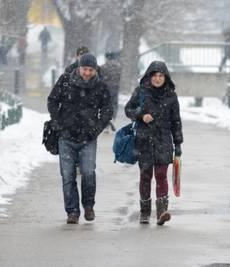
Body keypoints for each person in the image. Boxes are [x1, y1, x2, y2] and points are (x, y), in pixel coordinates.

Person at [47, 53, 113, 224]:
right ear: (78, 67)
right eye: (84, 69)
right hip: (66, 136)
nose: (87, 73)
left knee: (88, 173)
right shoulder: (65, 81)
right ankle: (72, 211)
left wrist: (96, 128)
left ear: (95, 70)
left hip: (88, 138)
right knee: (67, 176)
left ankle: (89, 205)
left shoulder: (100, 86)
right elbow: (52, 101)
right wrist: (58, 122)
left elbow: (107, 110)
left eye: (90, 70)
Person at [124, 61, 183, 225]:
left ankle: (162, 212)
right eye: (155, 75)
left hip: (164, 140)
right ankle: (144, 212)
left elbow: (176, 121)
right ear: (149, 76)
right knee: (145, 176)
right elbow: (128, 109)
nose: (158, 79)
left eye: (161, 76)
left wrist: (178, 144)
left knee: (161, 176)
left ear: (165, 77)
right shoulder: (141, 92)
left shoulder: (171, 95)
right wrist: (141, 116)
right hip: (144, 140)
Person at [101, 51, 122, 130]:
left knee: (106, 105)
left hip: (106, 88)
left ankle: (106, 122)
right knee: (114, 104)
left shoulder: (103, 67)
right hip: (115, 88)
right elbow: (119, 78)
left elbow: (101, 78)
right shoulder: (119, 67)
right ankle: (113, 118)